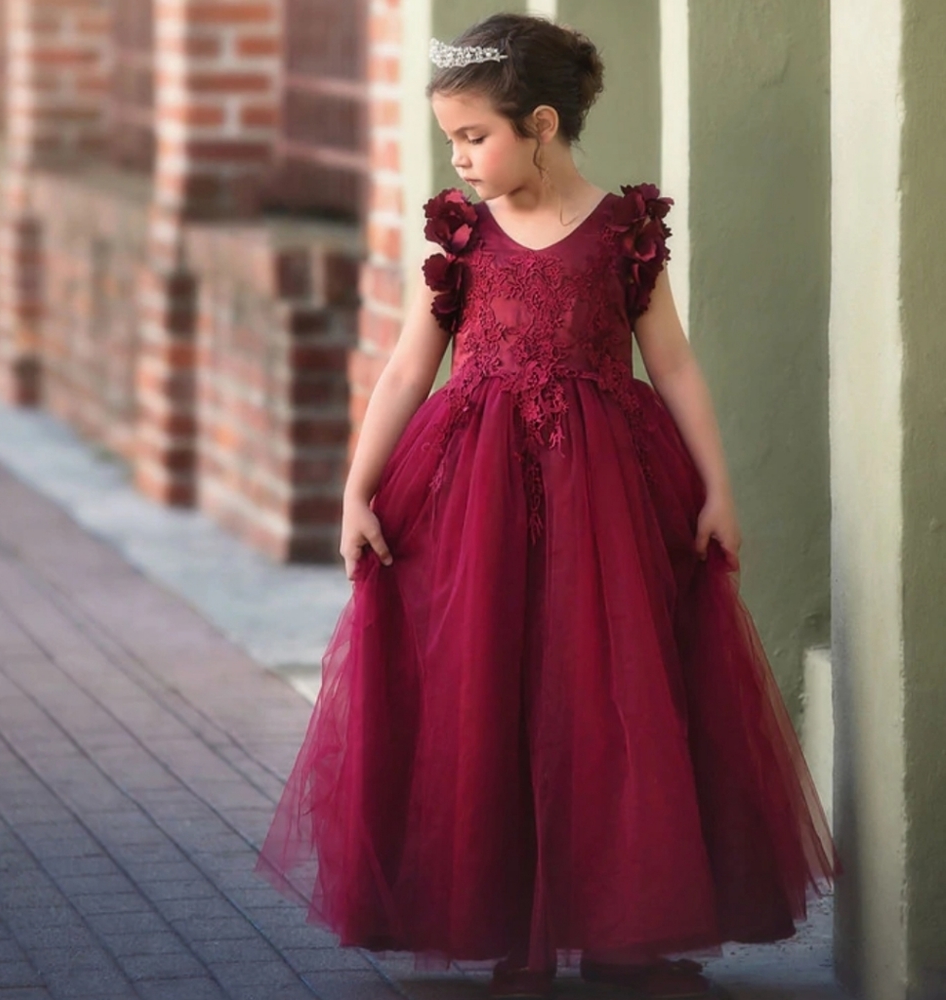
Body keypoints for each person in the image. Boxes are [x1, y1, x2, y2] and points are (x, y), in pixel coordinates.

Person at [256, 13, 836, 999]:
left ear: (539, 124)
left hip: (611, 492)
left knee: (615, 695)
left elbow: (676, 366)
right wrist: (355, 488)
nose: (460, 157)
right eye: (450, 140)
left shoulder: (624, 232)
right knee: (491, 690)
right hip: (474, 493)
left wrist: (718, 491)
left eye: (473, 136)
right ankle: (503, 928)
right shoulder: (463, 237)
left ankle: (632, 930)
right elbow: (407, 369)